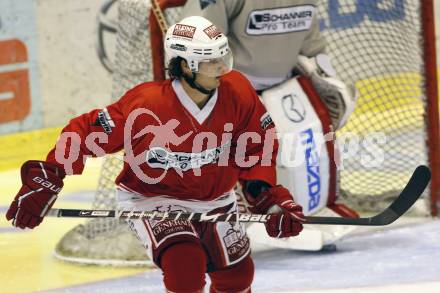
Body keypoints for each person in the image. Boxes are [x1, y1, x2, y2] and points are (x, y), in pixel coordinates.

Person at [5, 16, 305, 293]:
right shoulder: (147, 104)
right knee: (184, 267)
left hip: (215, 197)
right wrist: (49, 175)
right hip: (154, 198)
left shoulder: (237, 91)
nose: (221, 67)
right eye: (211, 60)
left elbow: (257, 147)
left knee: (238, 278)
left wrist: (265, 194)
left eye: (222, 57)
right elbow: (85, 132)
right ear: (186, 65)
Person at [182, 0, 360, 221]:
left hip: (284, 86)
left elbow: (312, 44)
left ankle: (314, 204)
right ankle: (236, 204)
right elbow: (198, 43)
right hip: (231, 87)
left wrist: (326, 75)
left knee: (314, 136)